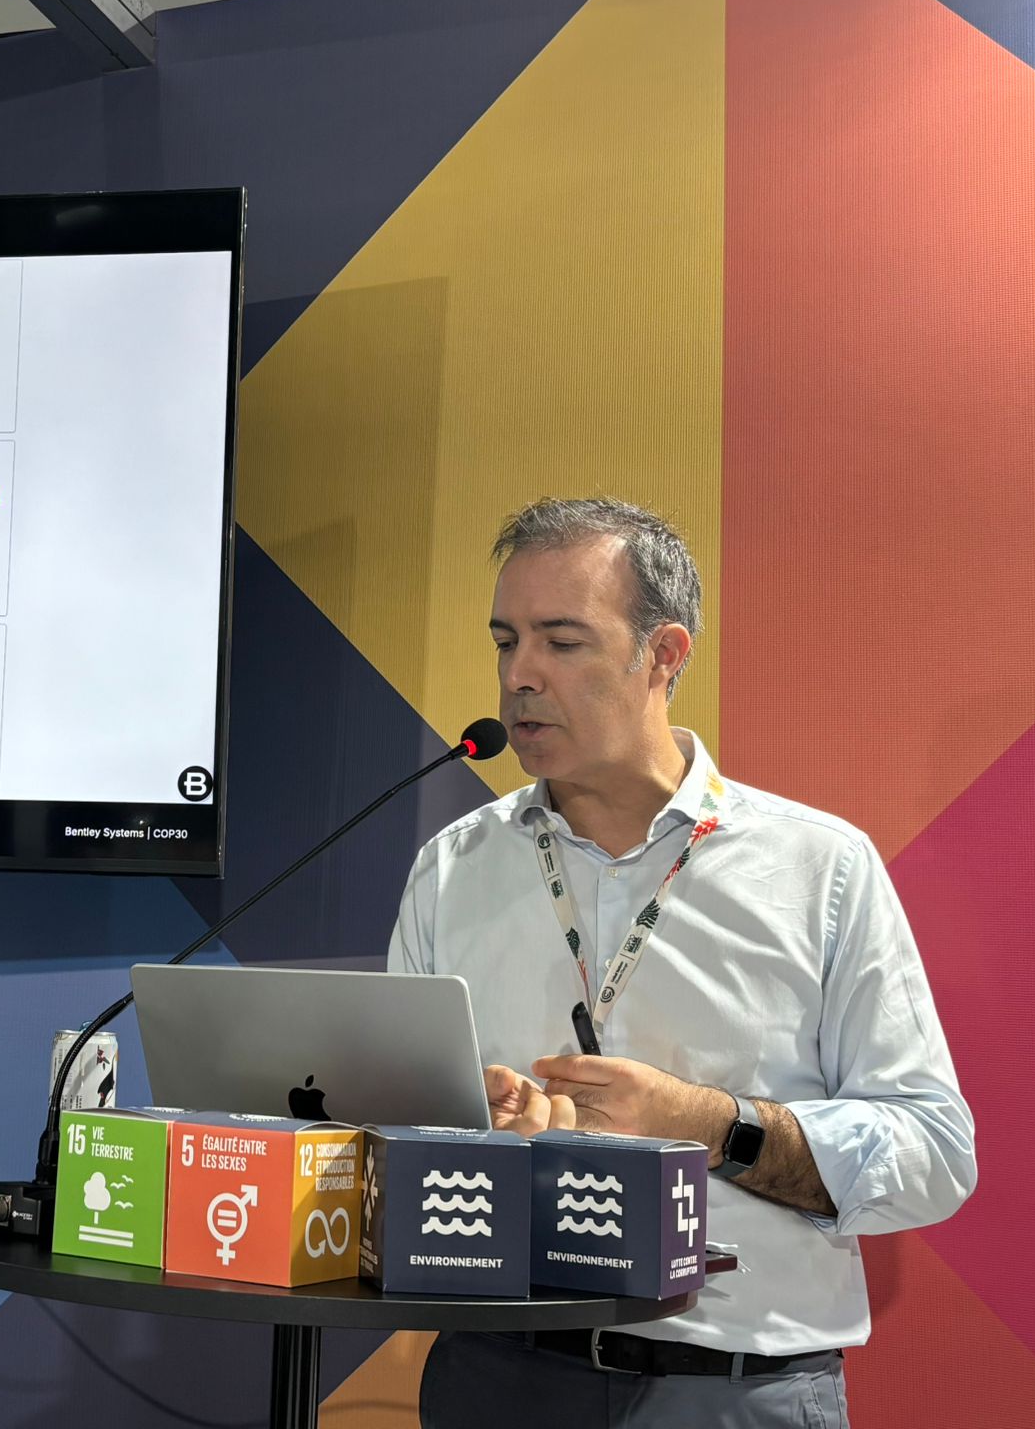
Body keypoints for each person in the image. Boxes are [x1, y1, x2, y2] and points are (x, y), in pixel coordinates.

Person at [388, 498, 975, 1428]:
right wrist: (475, 1133)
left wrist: (708, 1126)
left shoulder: (819, 868)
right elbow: (391, 1140)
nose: (519, 675)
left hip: (735, 1390)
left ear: (663, 654)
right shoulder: (452, 869)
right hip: (498, 1376)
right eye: (506, 641)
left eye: (562, 642)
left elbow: (932, 1155)